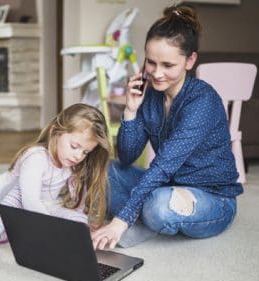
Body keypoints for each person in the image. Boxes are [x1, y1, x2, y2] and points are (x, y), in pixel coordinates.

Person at [91, 4, 243, 250]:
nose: (157, 74)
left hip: (213, 197)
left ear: (190, 60)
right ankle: (142, 219)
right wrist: (130, 111)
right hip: (166, 185)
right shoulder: (149, 94)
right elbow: (128, 157)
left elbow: (162, 166)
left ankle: (135, 221)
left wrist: (120, 220)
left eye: (168, 65)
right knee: (105, 169)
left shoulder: (202, 101)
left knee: (158, 206)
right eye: (151, 63)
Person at [0, 103, 111, 258]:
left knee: (80, 221)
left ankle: (60, 235)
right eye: (74, 146)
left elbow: (75, 204)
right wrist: (52, 229)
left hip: (41, 209)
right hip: (8, 205)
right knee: (18, 192)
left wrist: (81, 225)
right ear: (55, 132)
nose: (78, 156)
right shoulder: (36, 157)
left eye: (85, 152)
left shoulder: (72, 163)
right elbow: (29, 201)